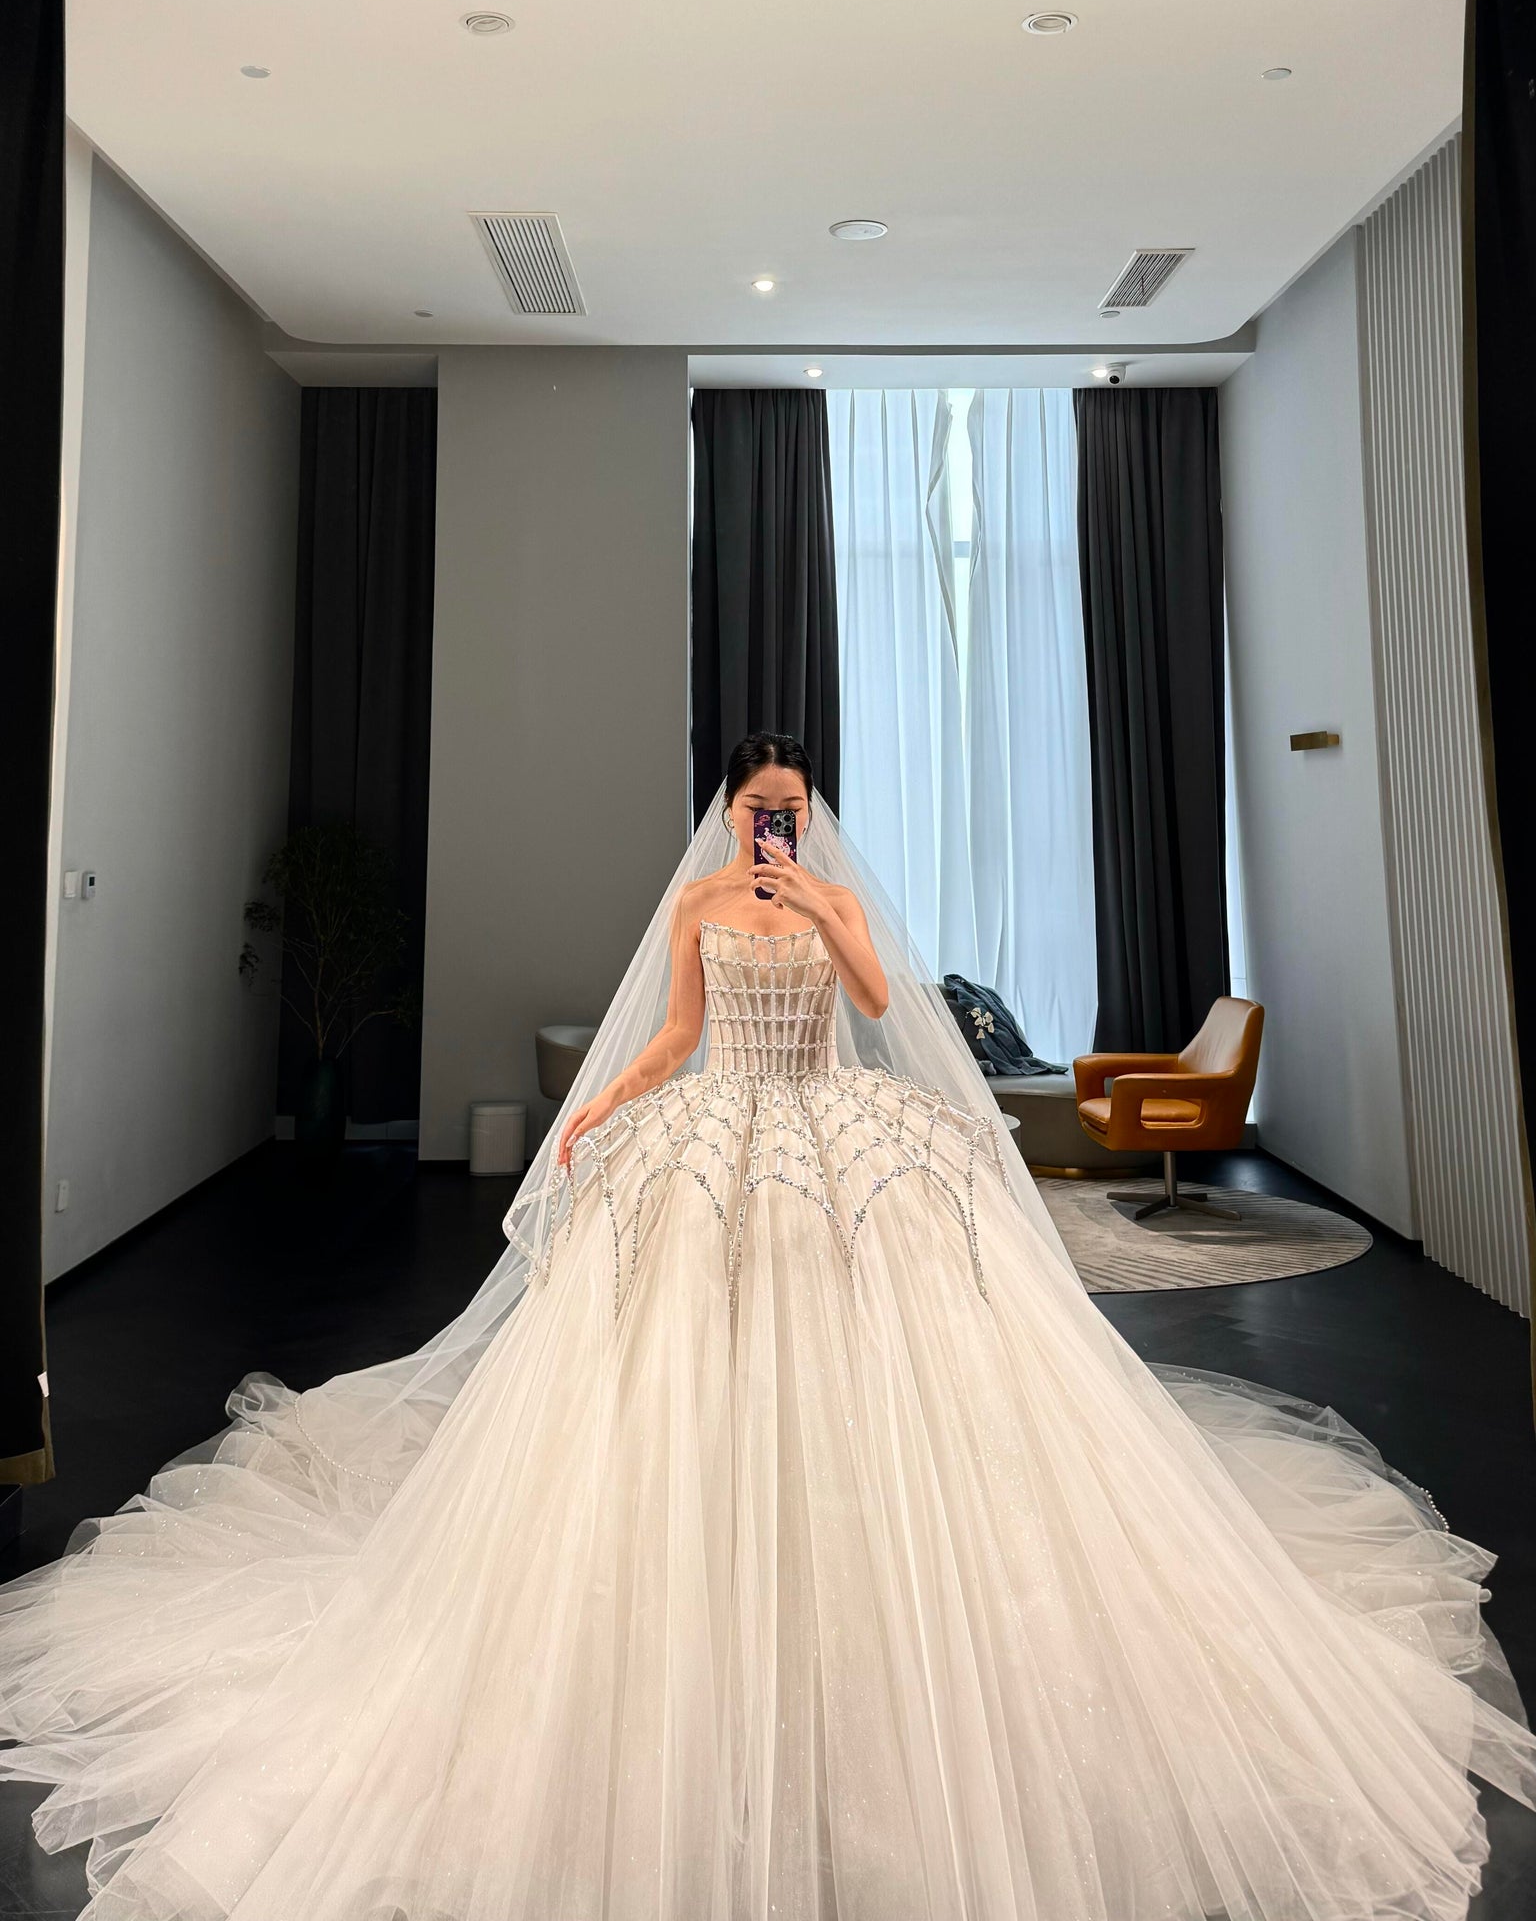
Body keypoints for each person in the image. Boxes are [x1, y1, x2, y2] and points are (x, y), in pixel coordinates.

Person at [3, 729, 1535, 1921]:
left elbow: (872, 995)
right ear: (727, 810)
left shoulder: (828, 898)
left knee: (870, 1323)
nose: (773, 828)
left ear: (811, 816)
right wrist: (601, 1103)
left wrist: (813, 902)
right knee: (682, 1337)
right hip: (714, 1119)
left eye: (792, 811)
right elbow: (677, 1030)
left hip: (827, 1122)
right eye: (758, 812)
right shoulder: (690, 904)